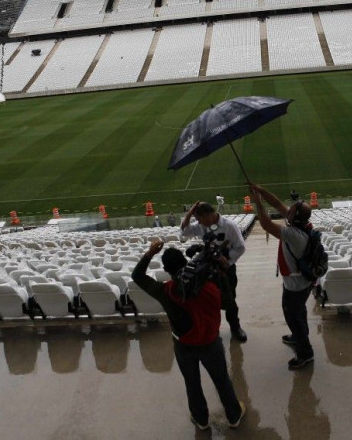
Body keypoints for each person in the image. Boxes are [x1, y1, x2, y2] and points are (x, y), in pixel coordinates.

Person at [131, 240, 246, 430]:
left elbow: (137, 275)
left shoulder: (165, 291)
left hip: (183, 346)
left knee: (192, 384)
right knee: (222, 380)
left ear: (167, 270)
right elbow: (230, 304)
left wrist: (150, 253)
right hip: (210, 343)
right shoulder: (209, 287)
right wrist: (223, 274)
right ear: (186, 263)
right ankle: (234, 416)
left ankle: (201, 419)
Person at [249, 183, 315, 370]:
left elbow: (266, 224)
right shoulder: (304, 224)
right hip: (302, 282)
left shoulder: (294, 235)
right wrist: (260, 190)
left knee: (293, 317)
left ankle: (305, 354)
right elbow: (277, 204)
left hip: (295, 286)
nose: (287, 210)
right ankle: (298, 336)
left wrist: (258, 203)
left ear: (294, 216)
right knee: (299, 312)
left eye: (291, 210)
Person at [181, 201, 247, 342]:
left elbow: (240, 247)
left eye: (199, 219)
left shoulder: (229, 226)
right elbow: (185, 231)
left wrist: (227, 260)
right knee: (209, 300)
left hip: (225, 269)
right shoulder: (201, 226)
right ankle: (213, 330)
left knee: (230, 301)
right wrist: (189, 213)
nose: (198, 222)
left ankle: (235, 328)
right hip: (207, 269)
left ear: (207, 215)